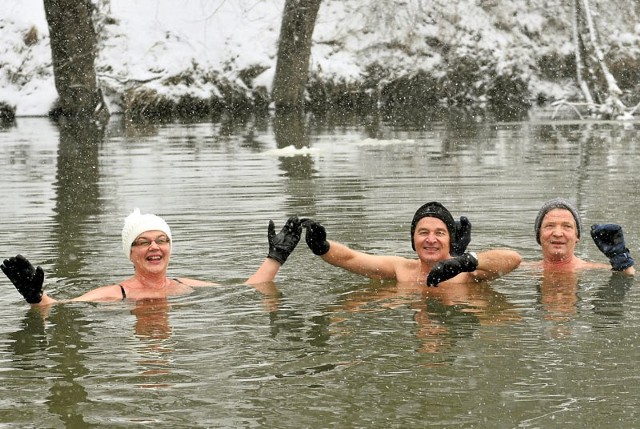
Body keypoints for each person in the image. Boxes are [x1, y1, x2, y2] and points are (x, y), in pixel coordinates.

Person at [1, 208, 304, 305]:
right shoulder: (115, 293)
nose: (154, 247)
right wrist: (36, 297)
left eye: (161, 240)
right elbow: (61, 307)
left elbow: (249, 289)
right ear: (130, 254)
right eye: (143, 242)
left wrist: (276, 257)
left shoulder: (184, 286)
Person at [301, 201, 522, 286]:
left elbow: (513, 260)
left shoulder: (467, 274)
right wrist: (322, 246)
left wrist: (464, 262)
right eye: (423, 232)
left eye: (440, 233)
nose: (430, 239)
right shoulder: (401, 269)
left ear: (450, 240)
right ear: (413, 240)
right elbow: (350, 258)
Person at [528, 197, 635, 274]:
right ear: (539, 234)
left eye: (567, 226)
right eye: (550, 226)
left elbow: (630, 277)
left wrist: (622, 261)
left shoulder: (595, 271)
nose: (558, 233)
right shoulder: (522, 270)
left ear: (577, 236)